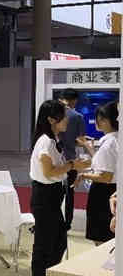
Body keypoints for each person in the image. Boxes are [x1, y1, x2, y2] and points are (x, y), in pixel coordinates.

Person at [29, 100, 92, 276]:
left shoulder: (54, 139)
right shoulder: (45, 142)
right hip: (44, 196)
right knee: (45, 244)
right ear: (51, 119)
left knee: (58, 242)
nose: (67, 120)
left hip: (52, 195)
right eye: (63, 116)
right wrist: (72, 165)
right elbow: (49, 172)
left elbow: (57, 170)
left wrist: (72, 167)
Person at [75, 101, 119, 245]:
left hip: (103, 193)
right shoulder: (115, 140)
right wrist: (89, 147)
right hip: (112, 190)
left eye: (99, 118)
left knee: (102, 238)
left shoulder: (109, 144)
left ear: (105, 120)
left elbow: (105, 176)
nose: (96, 121)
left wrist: (83, 175)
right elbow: (105, 166)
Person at [58, 88, 86, 232]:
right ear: (74, 101)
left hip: (54, 159)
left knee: (54, 192)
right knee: (70, 193)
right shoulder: (77, 116)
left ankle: (51, 219)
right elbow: (80, 141)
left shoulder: (54, 113)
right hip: (70, 160)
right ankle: (67, 224)